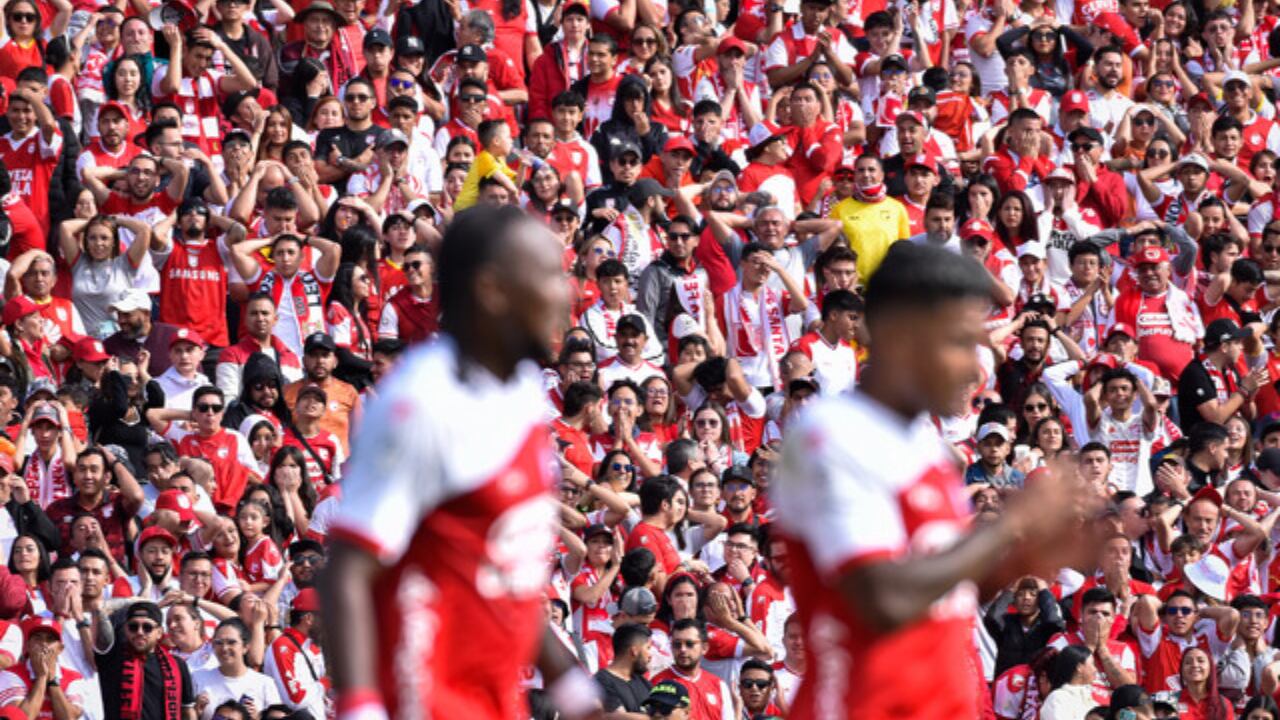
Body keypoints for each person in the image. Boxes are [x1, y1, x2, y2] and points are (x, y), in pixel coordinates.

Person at [774, 243, 1086, 717]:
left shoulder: (925, 446)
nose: (971, 366)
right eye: (958, 342)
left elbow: (942, 595)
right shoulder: (832, 437)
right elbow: (882, 597)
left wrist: (1025, 552)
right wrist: (1007, 526)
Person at [320, 207, 596, 720]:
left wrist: (578, 694)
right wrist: (361, 708)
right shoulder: (422, 402)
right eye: (549, 277)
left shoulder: (518, 395)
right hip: (423, 699)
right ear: (493, 290)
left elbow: (503, 578)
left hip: (494, 700)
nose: (566, 294)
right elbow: (347, 572)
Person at [95, 601, 197, 720]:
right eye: (133, 627)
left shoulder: (178, 665)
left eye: (147, 627)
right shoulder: (111, 657)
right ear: (126, 630)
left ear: (159, 632)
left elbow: (187, 710)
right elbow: (102, 609)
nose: (140, 632)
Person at [593, 623, 652, 715]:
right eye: (648, 648)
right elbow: (618, 716)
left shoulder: (644, 683)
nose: (650, 655)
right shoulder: (601, 681)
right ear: (634, 651)